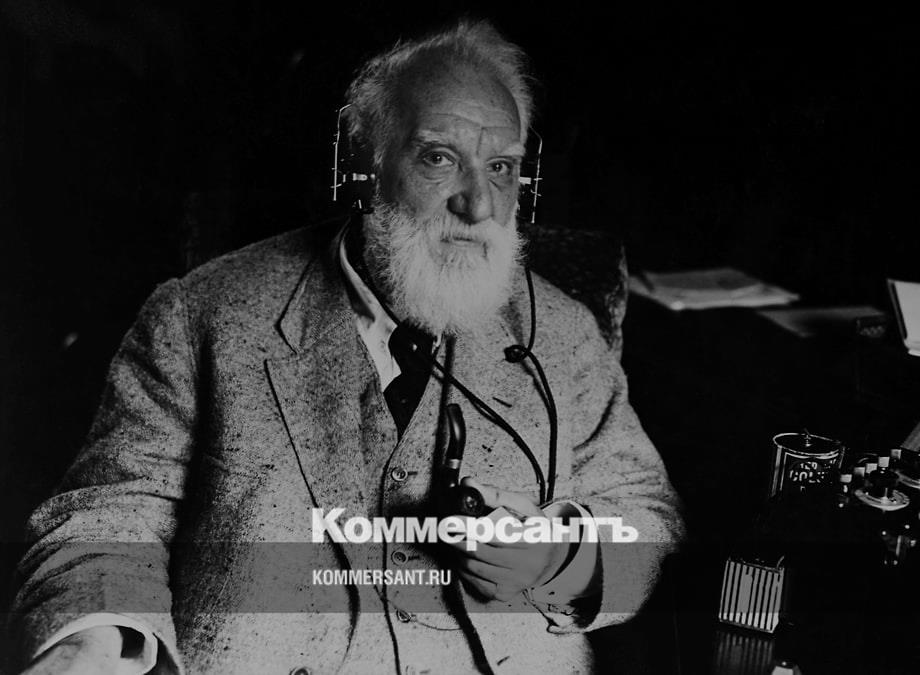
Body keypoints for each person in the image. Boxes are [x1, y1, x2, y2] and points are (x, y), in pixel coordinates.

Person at [11, 18, 683, 674]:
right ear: (363, 165)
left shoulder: (563, 336)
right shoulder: (201, 314)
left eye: (501, 167)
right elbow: (110, 518)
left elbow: (646, 513)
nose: (478, 204)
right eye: (439, 158)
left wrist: (562, 561)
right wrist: (95, 639)